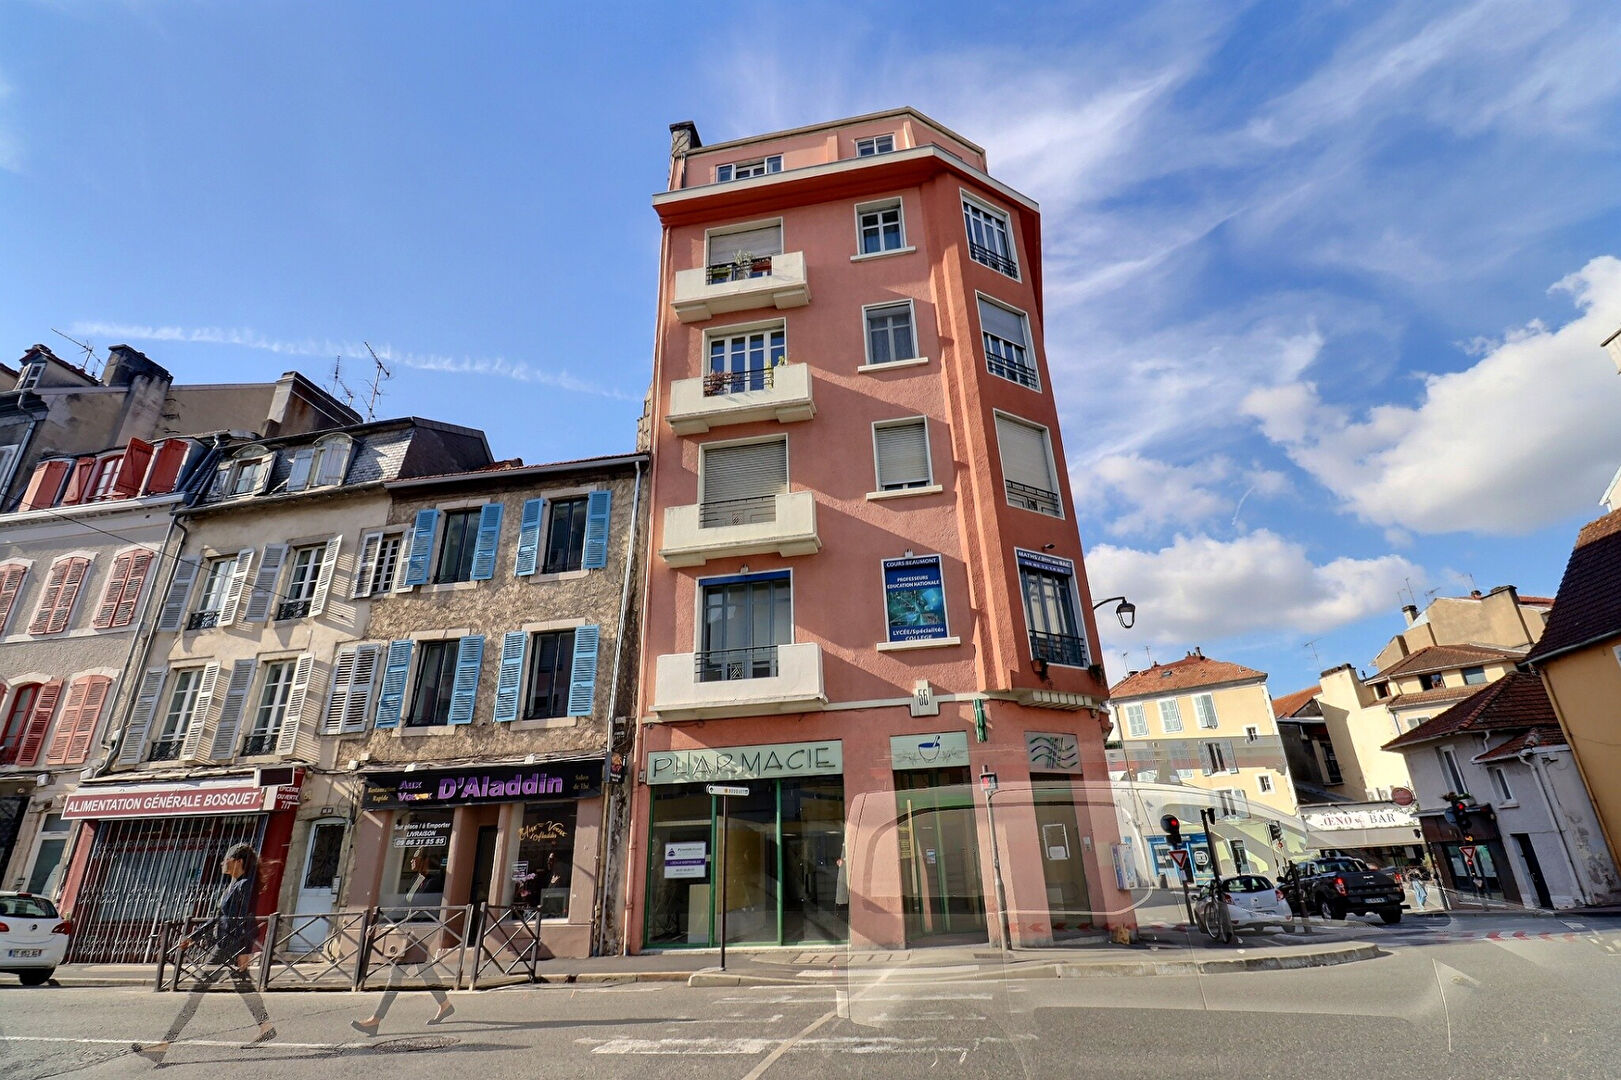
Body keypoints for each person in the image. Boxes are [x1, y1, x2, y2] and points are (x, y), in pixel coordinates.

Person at [133, 843, 276, 1065]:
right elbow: (218, 917)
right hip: (227, 944)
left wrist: (246, 950)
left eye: (226, 859)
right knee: (244, 987)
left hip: (229, 947)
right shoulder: (234, 885)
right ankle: (266, 1027)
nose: (222, 862)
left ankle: (163, 1045)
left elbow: (247, 918)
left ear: (237, 861)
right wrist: (193, 936)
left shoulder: (245, 885)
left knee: (196, 994)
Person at [351, 848, 455, 1036]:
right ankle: (445, 1004)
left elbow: (418, 906)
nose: (411, 862)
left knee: (397, 971)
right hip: (415, 929)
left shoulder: (434, 881)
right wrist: (380, 923)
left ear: (424, 860)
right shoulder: (417, 880)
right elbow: (404, 905)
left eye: (415, 858)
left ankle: (376, 1020)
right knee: (424, 968)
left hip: (425, 929)